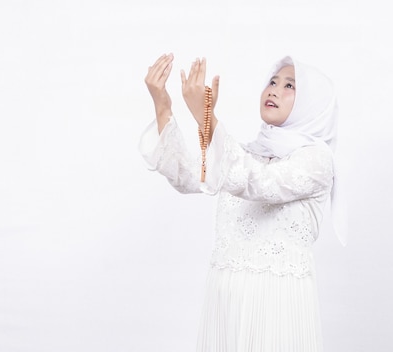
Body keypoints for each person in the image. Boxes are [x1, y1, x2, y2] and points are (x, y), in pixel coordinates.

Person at [140, 53, 340, 352]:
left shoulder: (316, 160)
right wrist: (163, 105)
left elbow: (258, 182)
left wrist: (206, 117)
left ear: (313, 104)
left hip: (277, 305)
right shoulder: (244, 155)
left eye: (290, 86)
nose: (274, 89)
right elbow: (186, 175)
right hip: (227, 299)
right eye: (272, 81)